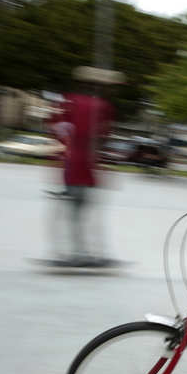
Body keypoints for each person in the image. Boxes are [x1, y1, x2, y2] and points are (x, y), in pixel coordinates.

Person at [48, 66, 123, 266]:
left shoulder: (68, 101)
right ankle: (84, 253)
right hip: (84, 168)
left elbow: (57, 130)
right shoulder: (101, 106)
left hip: (73, 166)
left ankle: (78, 252)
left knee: (75, 213)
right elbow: (102, 137)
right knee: (82, 213)